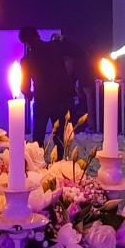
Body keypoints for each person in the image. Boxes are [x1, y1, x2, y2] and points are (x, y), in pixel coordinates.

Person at [18, 27, 76, 155]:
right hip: (62, 99)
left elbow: (24, 86)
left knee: (38, 138)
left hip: (42, 101)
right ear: (38, 35)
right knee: (60, 137)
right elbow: (75, 51)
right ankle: (61, 164)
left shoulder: (27, 60)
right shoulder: (55, 47)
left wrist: (29, 94)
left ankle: (38, 166)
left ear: (25, 43)